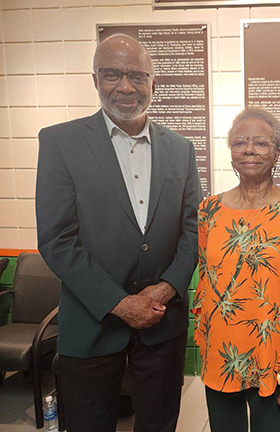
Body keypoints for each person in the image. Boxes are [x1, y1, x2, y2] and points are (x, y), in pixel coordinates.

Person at [36, 34, 203, 432]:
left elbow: (194, 229)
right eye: (112, 74)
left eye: (136, 76)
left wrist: (163, 289)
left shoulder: (181, 148)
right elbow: (57, 239)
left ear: (153, 85)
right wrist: (118, 303)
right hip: (91, 321)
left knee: (160, 424)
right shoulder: (60, 142)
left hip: (163, 321)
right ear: (95, 80)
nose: (125, 86)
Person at [192, 107, 280, 432]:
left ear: (277, 151)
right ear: (230, 150)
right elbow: (205, 284)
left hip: (274, 359)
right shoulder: (208, 211)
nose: (249, 149)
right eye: (240, 142)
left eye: (261, 143)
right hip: (221, 356)